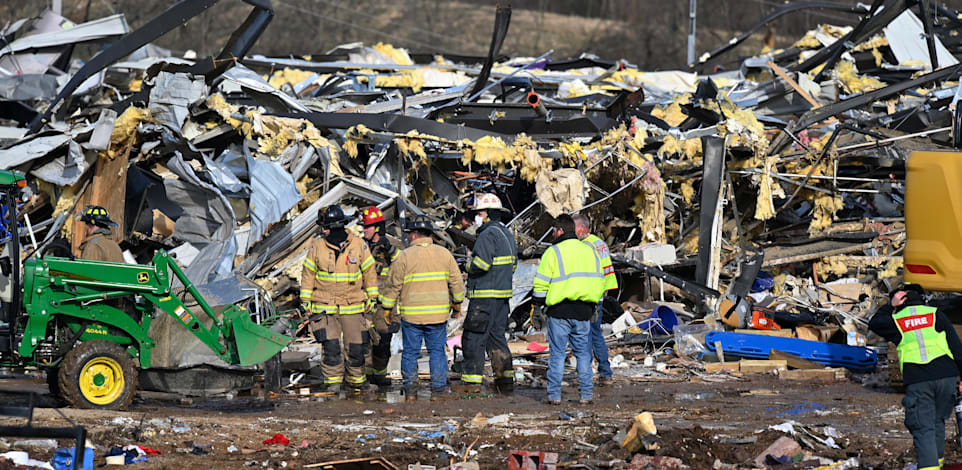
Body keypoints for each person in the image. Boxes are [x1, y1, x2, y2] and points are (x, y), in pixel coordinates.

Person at [869, 284, 962, 470]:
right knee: (937, 421)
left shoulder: (896, 319)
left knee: (923, 428)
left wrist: (890, 305)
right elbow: (956, 346)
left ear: (900, 301)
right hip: (947, 377)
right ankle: (938, 464)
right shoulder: (935, 314)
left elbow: (874, 323)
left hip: (919, 380)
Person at [378, 215, 465, 400]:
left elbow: (393, 285)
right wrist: (457, 305)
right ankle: (438, 392)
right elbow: (456, 283)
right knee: (437, 352)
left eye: (410, 234)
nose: (408, 237)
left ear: (415, 235)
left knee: (410, 353)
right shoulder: (444, 254)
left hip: (412, 316)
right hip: (437, 316)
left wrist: (387, 309)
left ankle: (410, 392)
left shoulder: (404, 257)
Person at [301, 205, 379, 393]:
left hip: (352, 305)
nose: (324, 231)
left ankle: (357, 381)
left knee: (356, 347)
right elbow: (308, 274)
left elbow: (369, 273)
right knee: (331, 347)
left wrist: (373, 297)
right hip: (325, 307)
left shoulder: (359, 245)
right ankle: (333, 384)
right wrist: (305, 300)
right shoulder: (317, 246)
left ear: (334, 226)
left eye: (325, 227)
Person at [532, 214, 605, 405]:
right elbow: (600, 280)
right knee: (583, 354)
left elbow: (540, 284)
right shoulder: (591, 251)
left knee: (557, 354)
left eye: (554, 231)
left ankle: (554, 396)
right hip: (584, 311)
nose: (553, 234)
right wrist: (595, 304)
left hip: (559, 311)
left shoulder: (553, 252)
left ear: (560, 230)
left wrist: (537, 308)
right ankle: (586, 395)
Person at [457, 193, 518, 395]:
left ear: (488, 214)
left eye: (479, 213)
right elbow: (514, 265)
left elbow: (481, 264)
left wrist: (465, 265)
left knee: (473, 338)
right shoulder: (506, 234)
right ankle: (505, 382)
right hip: (502, 298)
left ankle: (471, 384)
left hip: (484, 297)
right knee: (497, 338)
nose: (477, 217)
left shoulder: (487, 234)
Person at [572, 214, 617, 387]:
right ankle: (605, 373)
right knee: (595, 333)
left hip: (589, 295)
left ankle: (588, 373)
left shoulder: (585, 246)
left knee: (585, 334)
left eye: (574, 229)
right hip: (599, 294)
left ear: (582, 228)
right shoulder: (599, 242)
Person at [360, 206, 401, 387]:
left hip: (386, 303)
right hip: (364, 301)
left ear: (377, 227)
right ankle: (366, 376)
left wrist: (390, 250)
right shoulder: (360, 246)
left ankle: (380, 375)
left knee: (383, 342)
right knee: (363, 341)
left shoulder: (392, 244)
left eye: (367, 227)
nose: (363, 230)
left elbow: (402, 264)